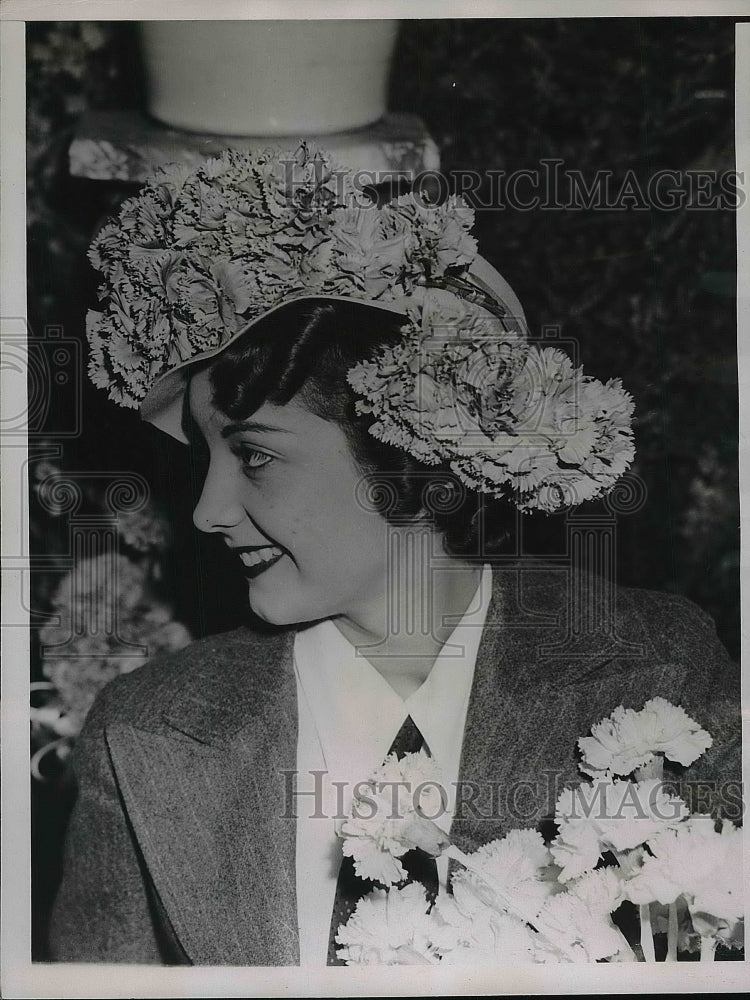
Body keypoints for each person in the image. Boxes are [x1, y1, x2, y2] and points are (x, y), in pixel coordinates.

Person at [49, 146, 741, 966]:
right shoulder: (142, 734)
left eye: (256, 457)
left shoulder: (657, 669)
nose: (206, 510)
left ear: (405, 446)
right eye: (204, 459)